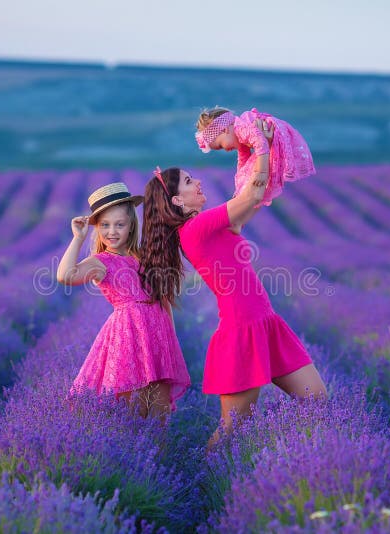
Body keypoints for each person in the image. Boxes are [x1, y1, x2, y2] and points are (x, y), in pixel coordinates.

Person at [140, 153, 327, 446]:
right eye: (189, 181)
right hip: (242, 332)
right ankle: (206, 479)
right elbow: (251, 194)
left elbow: (252, 197)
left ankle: (309, 460)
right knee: (232, 430)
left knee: (316, 400)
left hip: (266, 324)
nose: (198, 182)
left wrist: (249, 152)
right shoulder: (194, 229)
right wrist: (262, 150)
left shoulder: (207, 225)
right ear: (177, 201)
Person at [57, 182, 190, 419]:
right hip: (128, 338)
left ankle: (158, 455)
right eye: (105, 226)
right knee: (134, 411)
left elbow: (164, 300)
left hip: (158, 337)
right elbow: (66, 276)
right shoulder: (101, 262)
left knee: (160, 415)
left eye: (120, 225)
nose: (112, 232)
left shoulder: (145, 257)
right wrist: (78, 239)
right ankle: (131, 451)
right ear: (97, 228)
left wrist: (170, 341)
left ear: (131, 226)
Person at [195, 106, 315, 206]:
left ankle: (243, 205)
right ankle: (241, 204)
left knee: (255, 173)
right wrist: (239, 183)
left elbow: (260, 140)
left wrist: (260, 173)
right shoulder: (238, 136)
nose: (225, 150)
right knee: (247, 174)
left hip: (276, 135)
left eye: (220, 145)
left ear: (225, 129)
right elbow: (243, 158)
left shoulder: (240, 129)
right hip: (269, 140)